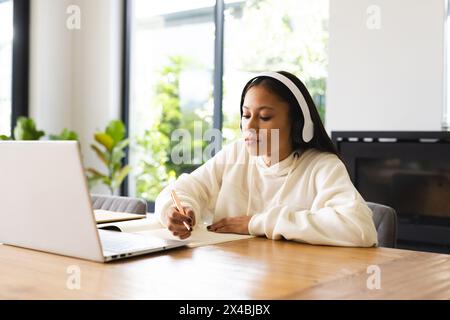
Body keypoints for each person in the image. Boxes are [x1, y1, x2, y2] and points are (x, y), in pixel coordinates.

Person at [155, 71, 378, 247]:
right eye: (246, 115)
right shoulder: (236, 153)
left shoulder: (322, 166)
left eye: (264, 117)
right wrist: (178, 211)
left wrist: (256, 223)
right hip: (233, 276)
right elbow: (182, 190)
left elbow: (359, 229)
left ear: (297, 124)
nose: (250, 126)